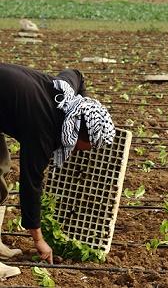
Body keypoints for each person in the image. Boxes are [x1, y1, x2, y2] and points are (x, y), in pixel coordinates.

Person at [0, 63, 115, 278]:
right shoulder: (43, 128)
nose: (86, 151)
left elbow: (77, 74)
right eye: (89, 145)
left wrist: (82, 101)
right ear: (79, 134)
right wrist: (38, 240)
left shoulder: (68, 96)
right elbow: (30, 184)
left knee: (0, 165)